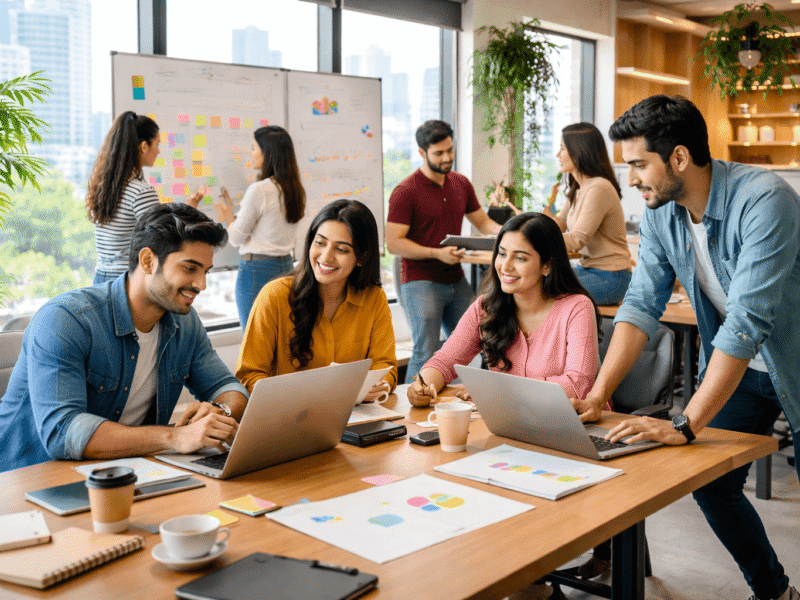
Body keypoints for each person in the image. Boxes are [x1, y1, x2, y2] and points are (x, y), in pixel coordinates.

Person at [574, 95, 800, 600]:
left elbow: (746, 321)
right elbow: (639, 305)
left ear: (678, 158)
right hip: (741, 372)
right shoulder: (662, 213)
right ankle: (775, 592)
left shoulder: (764, 199)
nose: (630, 179)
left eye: (637, 164)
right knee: (711, 481)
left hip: (793, 364)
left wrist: (684, 421)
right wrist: (598, 394)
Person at [0, 203, 249, 473]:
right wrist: (175, 437)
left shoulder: (185, 323)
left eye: (206, 272)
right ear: (148, 261)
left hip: (125, 471)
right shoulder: (66, 319)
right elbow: (62, 431)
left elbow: (229, 389)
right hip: (30, 478)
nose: (202, 284)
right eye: (190, 268)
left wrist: (219, 414)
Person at [407, 212, 599, 408]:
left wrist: (496, 390)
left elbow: (578, 385)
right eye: (502, 253)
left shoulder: (577, 308)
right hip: (513, 420)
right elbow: (444, 361)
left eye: (520, 258)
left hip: (576, 424)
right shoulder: (486, 307)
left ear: (547, 265)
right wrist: (422, 385)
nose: (505, 266)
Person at [236, 199, 397, 401]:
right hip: (290, 416)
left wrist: (378, 384)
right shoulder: (274, 297)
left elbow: (385, 365)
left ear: (362, 258)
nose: (326, 257)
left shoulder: (374, 298)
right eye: (320, 243)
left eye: (342, 249)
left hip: (356, 414)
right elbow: (248, 375)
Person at [386, 120, 502, 383]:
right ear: (422, 153)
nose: (447, 157)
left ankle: (458, 405)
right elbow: (393, 243)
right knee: (425, 351)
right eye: (439, 153)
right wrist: (436, 253)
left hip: (454, 278)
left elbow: (483, 222)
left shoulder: (461, 183)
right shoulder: (406, 192)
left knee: (473, 345)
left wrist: (506, 231)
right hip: (420, 280)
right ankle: (410, 409)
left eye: (450, 150)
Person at [86, 111, 204, 283]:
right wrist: (189, 210)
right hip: (126, 280)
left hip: (102, 276)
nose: (158, 151)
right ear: (143, 146)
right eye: (157, 144)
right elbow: (163, 238)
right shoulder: (140, 191)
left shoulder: (106, 186)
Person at [215, 126, 306, 329]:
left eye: (254, 148)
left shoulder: (259, 190)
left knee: (253, 340)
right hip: (286, 269)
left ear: (267, 153)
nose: (250, 153)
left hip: (257, 272)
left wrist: (228, 218)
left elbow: (236, 238)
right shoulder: (294, 189)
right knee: (281, 337)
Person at [544, 122, 632, 305]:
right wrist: (533, 224)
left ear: (577, 152)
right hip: (588, 270)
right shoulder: (578, 188)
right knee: (532, 281)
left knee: (543, 288)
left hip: (612, 277)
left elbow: (576, 240)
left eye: (562, 149)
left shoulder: (598, 188)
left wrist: (536, 240)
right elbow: (559, 224)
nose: (557, 155)